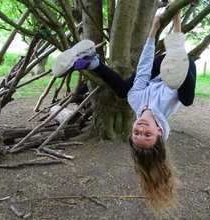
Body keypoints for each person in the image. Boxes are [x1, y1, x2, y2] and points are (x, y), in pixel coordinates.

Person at [52, 3, 196, 216]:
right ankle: (177, 56)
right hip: (181, 71)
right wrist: (176, 22)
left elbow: (144, 67)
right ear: (159, 132)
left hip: (157, 72)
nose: (141, 128)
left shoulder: (135, 100)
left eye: (136, 133)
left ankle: (91, 61)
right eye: (147, 134)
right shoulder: (166, 102)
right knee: (185, 99)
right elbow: (169, 87)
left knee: (123, 91)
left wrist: (154, 29)